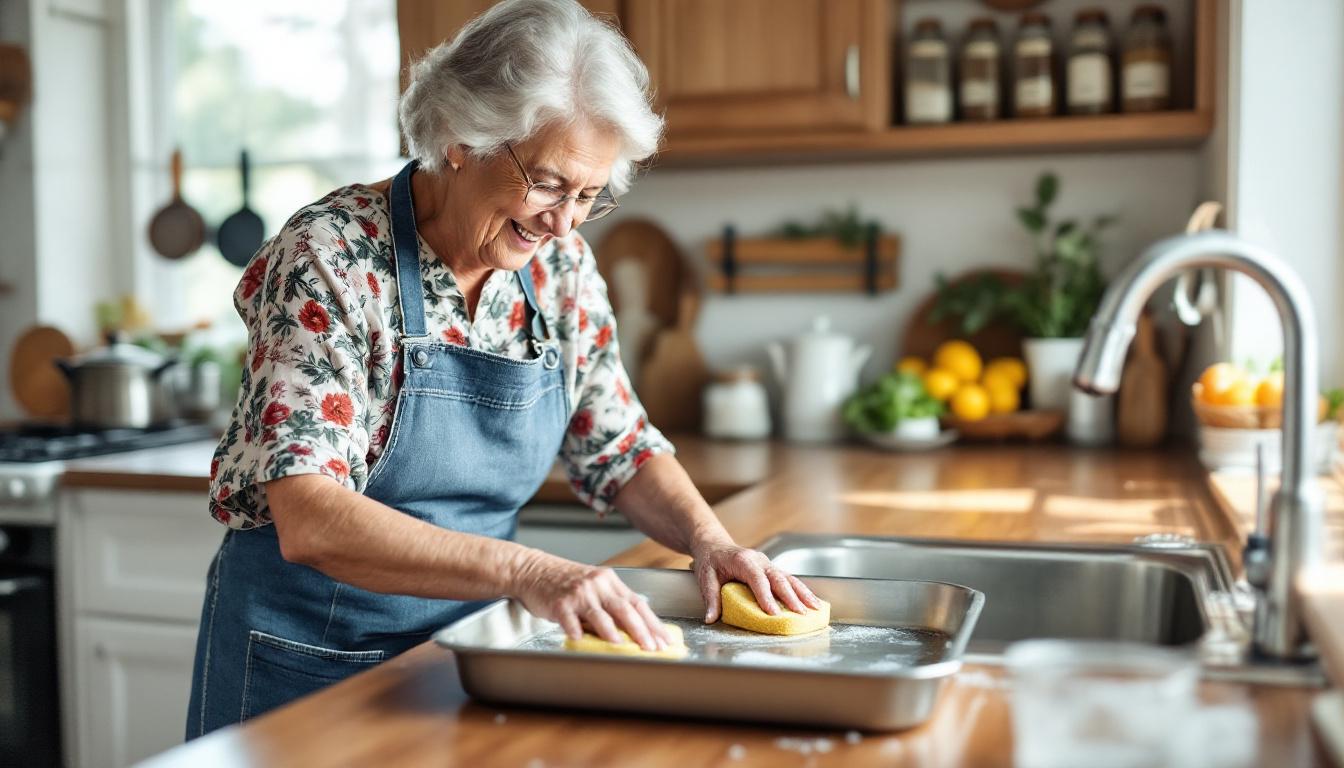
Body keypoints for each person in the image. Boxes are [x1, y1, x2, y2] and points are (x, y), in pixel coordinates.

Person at [186, 0, 820, 738]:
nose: (565, 222)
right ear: (461, 137)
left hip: (469, 656)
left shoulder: (561, 267)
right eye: (549, 183)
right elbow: (309, 516)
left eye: (590, 196)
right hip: (307, 664)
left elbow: (618, 445)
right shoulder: (329, 257)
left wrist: (712, 543)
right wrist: (531, 573)